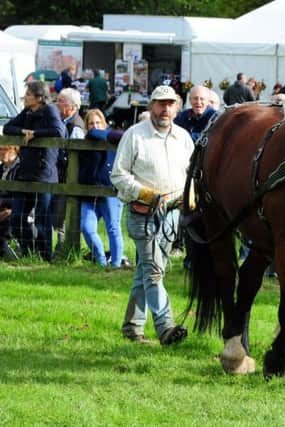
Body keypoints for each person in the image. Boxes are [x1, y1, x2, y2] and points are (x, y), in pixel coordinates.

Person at [110, 85, 193, 345]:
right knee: (154, 271)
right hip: (142, 212)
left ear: (177, 107)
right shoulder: (134, 135)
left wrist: (190, 196)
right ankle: (166, 326)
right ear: (151, 107)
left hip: (172, 214)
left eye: (170, 104)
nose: (165, 109)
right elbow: (118, 175)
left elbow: (192, 173)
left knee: (147, 272)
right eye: (160, 104)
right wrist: (146, 193)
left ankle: (132, 328)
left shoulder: (183, 137)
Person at [3, 81, 66, 261]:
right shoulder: (28, 112)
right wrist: (24, 131)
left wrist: (36, 134)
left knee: (42, 217)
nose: (25, 97)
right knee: (17, 216)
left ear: (39, 98)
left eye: (29, 95)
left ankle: (45, 256)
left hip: (44, 173)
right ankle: (28, 252)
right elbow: (8, 127)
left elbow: (58, 131)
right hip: (25, 173)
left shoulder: (50, 110)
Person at [79, 109, 124, 268]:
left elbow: (120, 136)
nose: (95, 126)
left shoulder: (112, 139)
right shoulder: (84, 141)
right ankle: (101, 260)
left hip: (109, 190)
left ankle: (117, 265)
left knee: (113, 227)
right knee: (86, 227)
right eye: (91, 123)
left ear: (104, 123)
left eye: (98, 122)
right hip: (89, 192)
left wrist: (106, 134)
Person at [53, 88, 85, 256]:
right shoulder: (64, 122)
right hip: (61, 175)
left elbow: (76, 156)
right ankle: (60, 249)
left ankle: (62, 250)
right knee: (58, 214)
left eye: (60, 101)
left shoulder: (76, 126)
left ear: (71, 106)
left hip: (68, 177)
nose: (57, 104)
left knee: (64, 213)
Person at [0, 145, 20, 259]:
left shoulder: (20, 169)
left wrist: (9, 210)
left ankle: (10, 254)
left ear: (13, 149)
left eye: (3, 149)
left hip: (15, 210)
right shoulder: (1, 168)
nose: (0, 152)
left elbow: (23, 198)